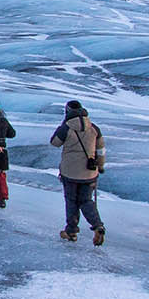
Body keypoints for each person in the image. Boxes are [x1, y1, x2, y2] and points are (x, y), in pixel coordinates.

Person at [51, 99, 107, 244]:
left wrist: (61, 128)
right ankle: (98, 225)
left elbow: (55, 143)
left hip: (70, 172)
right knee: (86, 200)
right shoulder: (94, 128)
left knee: (71, 201)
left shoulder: (67, 128)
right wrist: (100, 166)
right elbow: (100, 150)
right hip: (89, 172)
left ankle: (71, 232)